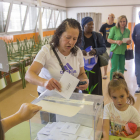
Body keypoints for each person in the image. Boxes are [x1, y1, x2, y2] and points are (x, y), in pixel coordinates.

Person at [25, 18, 89, 95]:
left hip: (69, 94)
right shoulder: (47, 51)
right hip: (48, 95)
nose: (71, 42)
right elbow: (29, 75)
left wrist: (85, 80)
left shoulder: (77, 51)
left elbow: (81, 74)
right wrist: (45, 83)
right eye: (68, 37)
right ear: (59, 35)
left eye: (74, 39)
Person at [102, 72, 140, 140]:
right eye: (114, 97)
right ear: (110, 96)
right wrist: (105, 137)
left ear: (127, 93)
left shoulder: (133, 112)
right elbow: (105, 125)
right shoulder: (107, 108)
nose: (119, 101)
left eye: (122, 96)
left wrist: (127, 137)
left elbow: (138, 130)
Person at [79, 17, 106, 95]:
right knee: (84, 86)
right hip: (82, 67)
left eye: (92, 24)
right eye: (89, 24)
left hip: (95, 67)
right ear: (84, 25)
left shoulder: (97, 36)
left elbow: (103, 48)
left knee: (96, 86)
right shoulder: (78, 36)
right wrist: (80, 51)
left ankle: (97, 105)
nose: (92, 26)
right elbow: (73, 49)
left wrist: (96, 50)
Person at [107, 15, 131, 80]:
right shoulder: (114, 29)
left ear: (126, 22)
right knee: (114, 68)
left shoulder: (127, 31)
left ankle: (120, 82)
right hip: (115, 51)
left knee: (121, 68)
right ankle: (112, 83)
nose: (122, 23)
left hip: (123, 51)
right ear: (118, 22)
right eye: (121, 21)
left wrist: (128, 42)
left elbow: (127, 40)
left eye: (124, 21)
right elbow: (108, 40)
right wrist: (116, 41)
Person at [99, 13, 115, 79]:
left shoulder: (115, 25)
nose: (113, 19)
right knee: (106, 60)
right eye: (112, 17)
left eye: (114, 17)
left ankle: (113, 74)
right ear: (108, 18)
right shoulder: (104, 26)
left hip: (113, 47)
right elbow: (100, 34)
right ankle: (105, 74)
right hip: (106, 46)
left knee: (113, 61)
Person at [132, 11, 140, 94]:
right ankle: (139, 85)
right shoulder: (137, 26)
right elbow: (133, 36)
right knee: (138, 69)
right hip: (138, 51)